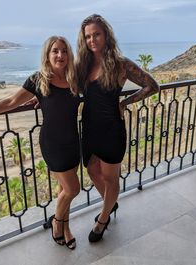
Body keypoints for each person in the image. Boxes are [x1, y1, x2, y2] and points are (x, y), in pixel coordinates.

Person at [0, 36, 80, 250]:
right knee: (72, 189)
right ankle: (58, 224)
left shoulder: (74, 78)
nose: (60, 55)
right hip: (53, 143)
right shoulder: (39, 81)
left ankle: (66, 228)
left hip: (73, 141)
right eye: (55, 51)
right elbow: (10, 102)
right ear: (47, 55)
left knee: (63, 190)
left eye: (64, 51)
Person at [76, 14, 160, 242]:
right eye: (88, 36)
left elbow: (152, 86)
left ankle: (103, 219)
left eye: (96, 34)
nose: (92, 40)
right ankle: (110, 204)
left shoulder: (120, 63)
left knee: (110, 177)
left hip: (112, 127)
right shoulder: (83, 64)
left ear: (106, 35)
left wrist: (124, 102)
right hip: (90, 127)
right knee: (92, 170)